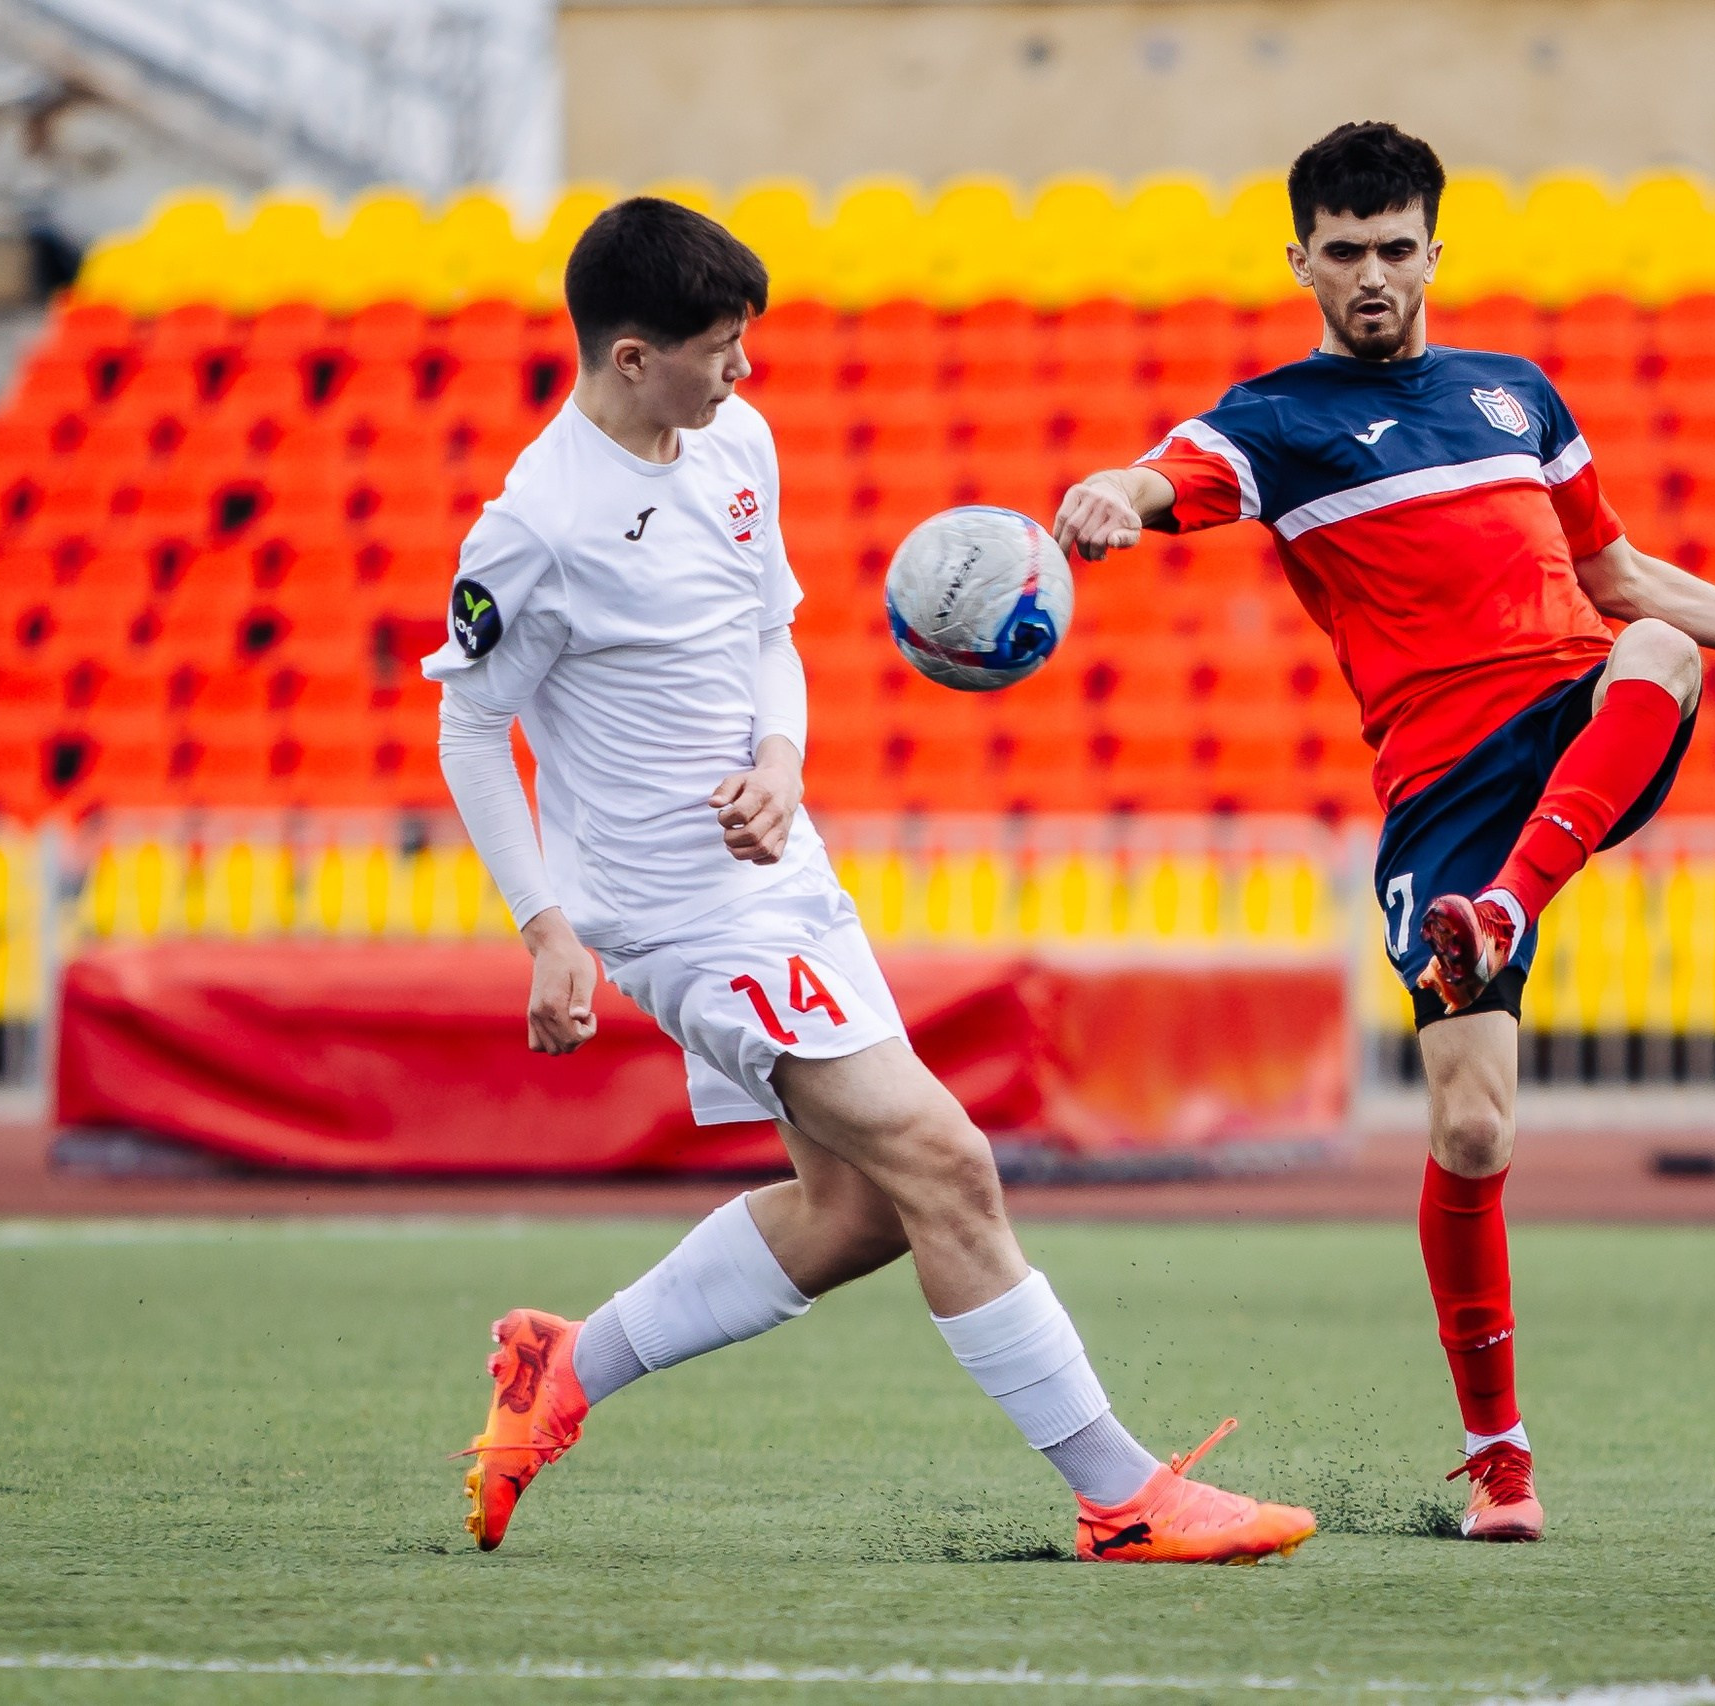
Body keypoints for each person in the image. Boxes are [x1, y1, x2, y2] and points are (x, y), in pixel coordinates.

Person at [1051, 124, 1715, 1542]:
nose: (1370, 274)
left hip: (1570, 721)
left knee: (1656, 644)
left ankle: (1516, 909)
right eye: (1341, 250)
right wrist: (1110, 494)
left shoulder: (1515, 394)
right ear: (1297, 259)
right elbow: (1167, 474)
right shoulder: (1278, 418)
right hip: (1444, 794)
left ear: (1434, 250)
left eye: (1395, 246)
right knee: (1473, 1130)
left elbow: (1613, 571)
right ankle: (1500, 1462)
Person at [427, 196, 1314, 1566]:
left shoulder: (737, 440)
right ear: (629, 358)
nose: (746, 372)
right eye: (722, 348)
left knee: (859, 1206)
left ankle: (568, 1365)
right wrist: (544, 924)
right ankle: (1121, 1492)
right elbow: (472, 726)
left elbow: (771, 628)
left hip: (787, 874)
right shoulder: (534, 528)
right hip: (675, 915)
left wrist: (780, 753)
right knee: (947, 1158)